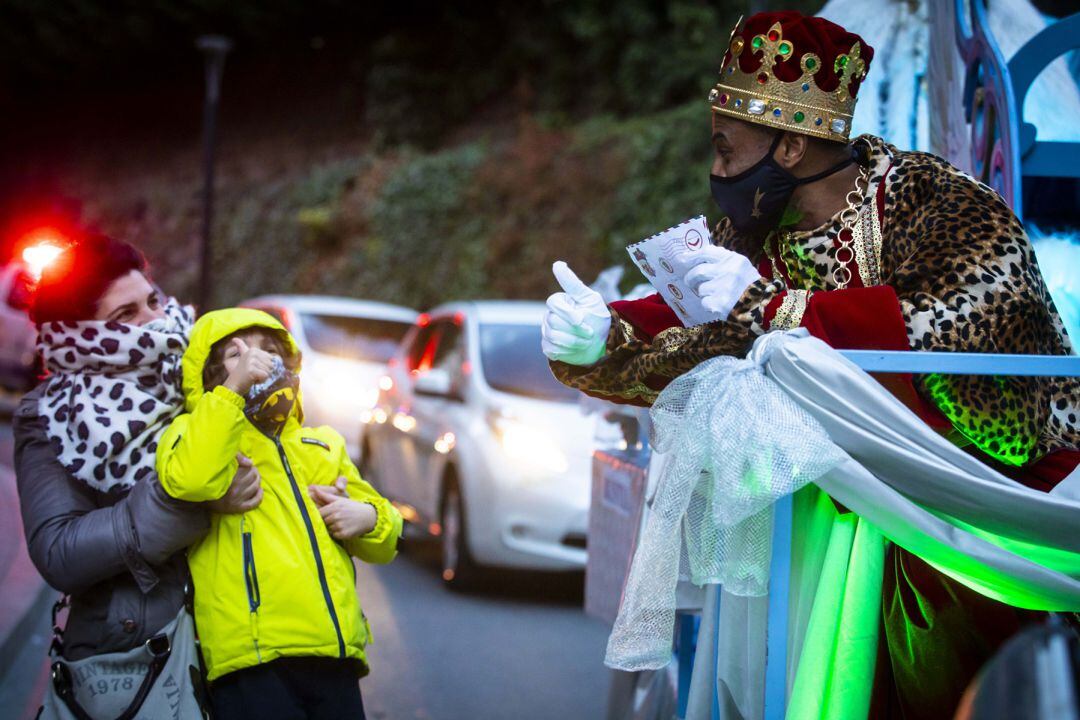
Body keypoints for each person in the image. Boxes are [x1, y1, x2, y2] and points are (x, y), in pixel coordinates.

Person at [542, 10, 1079, 718]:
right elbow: (696, 323)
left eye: (726, 151)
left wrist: (779, 310)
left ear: (791, 146)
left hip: (977, 511)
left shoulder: (934, 197)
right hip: (825, 529)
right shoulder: (757, 233)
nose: (717, 173)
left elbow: (968, 330)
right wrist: (600, 338)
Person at [14, 233, 261, 668]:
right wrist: (192, 499)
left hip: (246, 636)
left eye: (152, 301)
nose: (155, 320)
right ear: (83, 335)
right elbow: (58, 551)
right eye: (126, 314)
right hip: (140, 652)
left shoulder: (205, 369)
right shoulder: (53, 413)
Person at [155, 307, 402, 720]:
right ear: (210, 375)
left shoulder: (321, 443)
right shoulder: (192, 433)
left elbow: (386, 537)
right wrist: (233, 390)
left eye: (270, 350)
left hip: (334, 651)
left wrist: (368, 518)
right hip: (251, 661)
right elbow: (191, 479)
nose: (257, 360)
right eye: (236, 354)